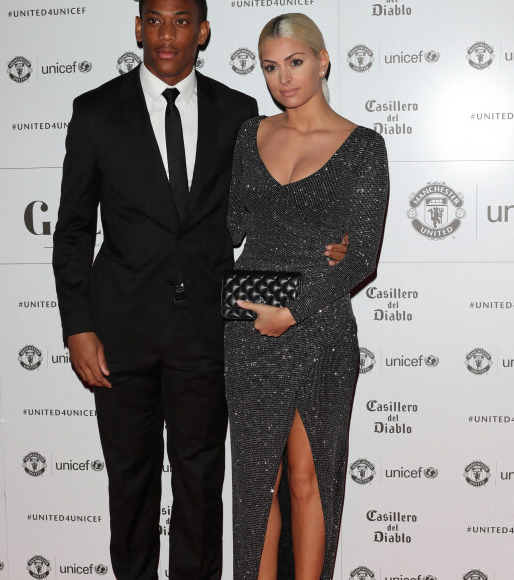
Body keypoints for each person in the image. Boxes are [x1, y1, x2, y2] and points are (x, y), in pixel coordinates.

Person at [53, 1, 348, 578]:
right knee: (130, 489)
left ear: (203, 31)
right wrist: (78, 326)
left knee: (201, 491)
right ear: (139, 27)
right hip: (121, 335)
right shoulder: (95, 112)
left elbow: (262, 211)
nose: (168, 34)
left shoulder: (237, 114)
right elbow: (71, 231)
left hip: (210, 335)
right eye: (156, 20)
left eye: (182, 21)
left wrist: (333, 242)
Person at [225, 13, 389, 580]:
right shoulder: (251, 135)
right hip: (248, 330)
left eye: (294, 62)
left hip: (318, 328)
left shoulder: (363, 147)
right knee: (254, 484)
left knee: (307, 475)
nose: (283, 78)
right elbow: (229, 228)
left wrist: (292, 312)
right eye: (270, 67)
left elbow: (363, 256)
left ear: (322, 61)